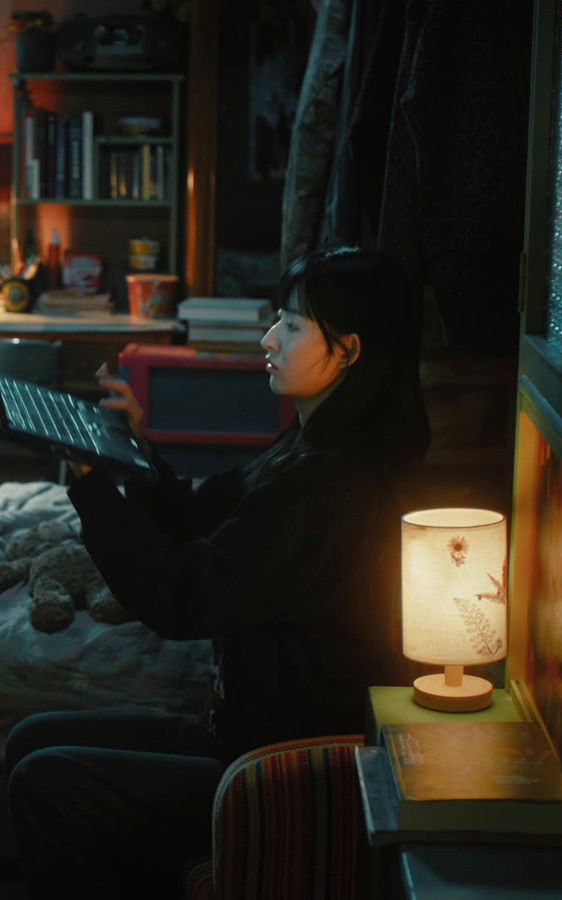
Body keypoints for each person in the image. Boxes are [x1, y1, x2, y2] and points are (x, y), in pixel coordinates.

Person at [5, 246, 429, 899]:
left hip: (281, 768)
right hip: (240, 733)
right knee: (32, 737)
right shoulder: (310, 445)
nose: (269, 339)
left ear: (347, 351)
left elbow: (182, 598)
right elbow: (201, 520)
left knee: (46, 780)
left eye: (291, 325)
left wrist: (89, 485)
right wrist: (132, 448)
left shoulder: (333, 485)